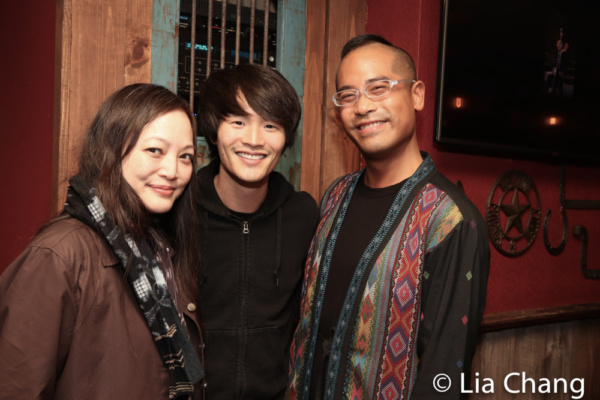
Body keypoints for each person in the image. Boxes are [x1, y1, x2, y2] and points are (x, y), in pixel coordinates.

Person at [286, 34, 490, 400]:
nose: (362, 107)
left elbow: (445, 372)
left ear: (417, 95)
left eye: (378, 88)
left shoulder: (449, 220)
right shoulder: (335, 196)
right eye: (347, 96)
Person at [0, 84, 205, 399]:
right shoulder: (61, 253)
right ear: (112, 149)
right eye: (155, 150)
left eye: (186, 157)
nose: (172, 170)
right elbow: (17, 386)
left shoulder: (160, 247)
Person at [194, 64, 319, 400]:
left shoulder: (304, 215)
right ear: (213, 127)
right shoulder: (179, 210)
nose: (253, 140)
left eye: (270, 125)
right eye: (237, 121)